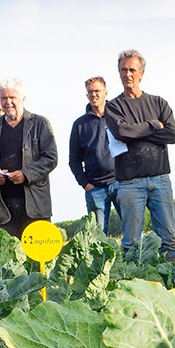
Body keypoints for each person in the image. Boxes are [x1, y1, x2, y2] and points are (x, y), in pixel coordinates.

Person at [104, 49, 175, 260]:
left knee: (169, 240)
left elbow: (172, 134)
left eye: (132, 70)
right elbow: (121, 132)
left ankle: (172, 285)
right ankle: (132, 285)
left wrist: (136, 131)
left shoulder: (159, 103)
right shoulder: (113, 107)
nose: (127, 74)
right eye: (123, 70)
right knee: (131, 244)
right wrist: (154, 126)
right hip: (130, 183)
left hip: (160, 179)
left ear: (141, 73)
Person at [0, 79, 57, 237]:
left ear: (23, 99)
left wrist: (25, 174)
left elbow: (51, 158)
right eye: (4, 98)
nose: (8, 102)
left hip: (35, 204)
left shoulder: (40, 124)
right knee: (9, 257)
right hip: (4, 207)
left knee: (39, 257)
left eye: (12, 97)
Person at [69, 76, 118, 234]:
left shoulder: (118, 117)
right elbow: (74, 160)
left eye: (97, 91)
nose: (94, 95)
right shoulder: (80, 125)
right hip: (95, 188)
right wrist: (85, 184)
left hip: (120, 183)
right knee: (98, 236)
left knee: (131, 231)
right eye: (90, 92)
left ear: (105, 92)